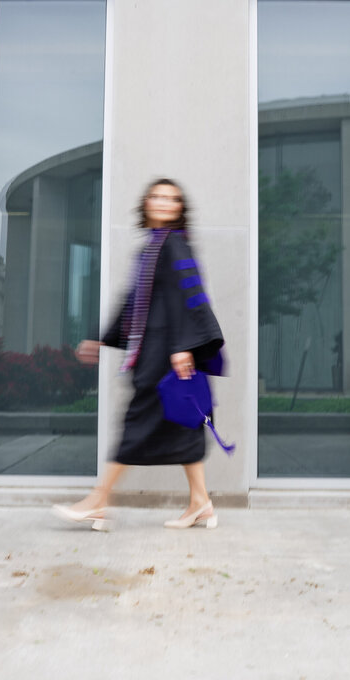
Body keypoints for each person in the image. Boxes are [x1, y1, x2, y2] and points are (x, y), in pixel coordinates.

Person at [52, 179, 225, 531]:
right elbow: (133, 302)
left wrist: (183, 347)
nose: (163, 202)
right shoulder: (152, 247)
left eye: (171, 198)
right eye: (157, 196)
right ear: (146, 203)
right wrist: (103, 340)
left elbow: (191, 298)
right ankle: (201, 503)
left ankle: (98, 501)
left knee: (136, 426)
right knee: (184, 426)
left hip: (165, 355)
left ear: (180, 208)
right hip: (159, 350)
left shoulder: (174, 244)